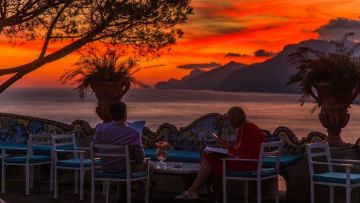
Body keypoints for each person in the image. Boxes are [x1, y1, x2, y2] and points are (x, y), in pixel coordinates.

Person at [175, 106, 265, 199]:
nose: (229, 123)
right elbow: (239, 150)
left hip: (249, 164)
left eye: (230, 120)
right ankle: (197, 191)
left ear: (236, 119)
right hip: (243, 161)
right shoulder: (243, 129)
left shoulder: (250, 130)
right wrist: (227, 146)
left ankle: (195, 191)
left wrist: (234, 155)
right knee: (209, 156)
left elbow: (254, 155)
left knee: (209, 158)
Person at [93, 101, 145, 172]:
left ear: (111, 115)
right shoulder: (133, 133)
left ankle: (127, 183)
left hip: (104, 167)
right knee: (150, 166)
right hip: (124, 168)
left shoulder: (100, 129)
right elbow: (140, 157)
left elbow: (94, 149)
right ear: (125, 115)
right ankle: (133, 183)